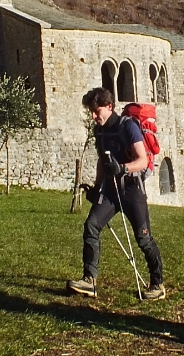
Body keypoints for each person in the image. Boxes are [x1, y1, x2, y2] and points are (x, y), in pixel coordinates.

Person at [67, 87, 166, 300]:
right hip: (111, 190)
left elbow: (143, 161)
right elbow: (103, 164)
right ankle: (89, 280)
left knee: (143, 239)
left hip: (132, 189)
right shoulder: (99, 131)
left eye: (96, 111)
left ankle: (157, 284)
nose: (94, 116)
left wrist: (122, 168)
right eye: (91, 112)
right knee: (91, 226)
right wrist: (96, 188)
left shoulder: (128, 126)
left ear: (109, 106)